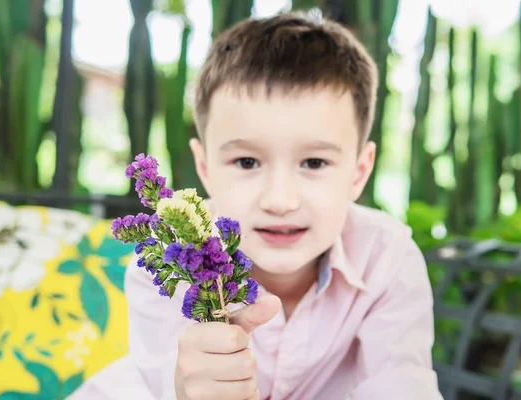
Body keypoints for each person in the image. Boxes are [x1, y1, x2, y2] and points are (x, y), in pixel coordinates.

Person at [70, 11, 443, 400]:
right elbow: (162, 385)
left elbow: (402, 385)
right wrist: (185, 389)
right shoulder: (164, 264)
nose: (280, 201)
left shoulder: (388, 258)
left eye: (314, 163)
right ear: (205, 167)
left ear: (358, 172)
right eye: (247, 162)